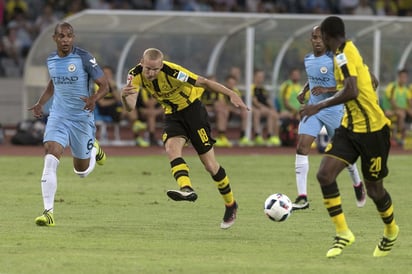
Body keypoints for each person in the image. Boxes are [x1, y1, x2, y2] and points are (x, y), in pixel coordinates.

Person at [300, 16, 399, 258]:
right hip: (350, 128)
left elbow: (352, 90)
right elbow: (356, 79)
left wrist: (318, 106)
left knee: (375, 190)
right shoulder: (343, 53)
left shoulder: (343, 54)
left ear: (326, 36)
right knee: (324, 174)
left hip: (374, 131)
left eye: (320, 35)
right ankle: (343, 233)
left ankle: (391, 230)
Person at [121, 48, 249, 229]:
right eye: (148, 68)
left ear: (161, 65)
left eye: (156, 69)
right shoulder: (134, 75)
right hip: (172, 116)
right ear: (141, 62)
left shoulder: (173, 72)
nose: (151, 73)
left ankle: (230, 204)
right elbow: (130, 107)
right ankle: (186, 188)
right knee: (171, 149)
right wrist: (124, 97)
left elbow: (203, 82)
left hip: (194, 112)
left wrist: (231, 94)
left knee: (211, 166)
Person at [28, 22, 109, 227]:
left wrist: (94, 98)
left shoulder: (83, 58)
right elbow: (53, 83)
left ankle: (94, 150)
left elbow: (105, 85)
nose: (66, 40)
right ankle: (48, 212)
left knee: (80, 172)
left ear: (73, 38)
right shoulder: (51, 60)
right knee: (50, 153)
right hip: (59, 115)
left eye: (69, 36)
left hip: (82, 118)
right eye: (62, 36)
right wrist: (40, 103)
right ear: (54, 38)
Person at [292, 26, 366, 210]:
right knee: (302, 146)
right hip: (313, 109)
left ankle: (357, 183)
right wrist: (304, 90)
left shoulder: (336, 59)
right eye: (313, 37)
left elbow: (347, 85)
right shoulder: (308, 59)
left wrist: (327, 90)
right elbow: (313, 77)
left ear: (326, 40)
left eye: (319, 37)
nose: (316, 40)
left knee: (344, 154)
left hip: (335, 110)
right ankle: (302, 197)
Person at [95, 65, 148, 146]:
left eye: (109, 74)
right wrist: (114, 101)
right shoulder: (98, 85)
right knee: (126, 108)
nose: (107, 76)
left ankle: (137, 133)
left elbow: (119, 99)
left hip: (116, 109)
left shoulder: (113, 85)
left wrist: (113, 88)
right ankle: (136, 127)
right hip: (105, 111)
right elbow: (102, 103)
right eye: (105, 73)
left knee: (129, 106)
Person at [381, 68, 412, 146]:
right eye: (402, 77)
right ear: (399, 77)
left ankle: (403, 137)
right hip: (388, 110)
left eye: (405, 77)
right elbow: (393, 104)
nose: (404, 79)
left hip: (401, 110)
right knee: (401, 114)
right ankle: (399, 138)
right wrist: (405, 109)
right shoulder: (392, 87)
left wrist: (409, 109)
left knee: (406, 112)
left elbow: (409, 102)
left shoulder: (406, 89)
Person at [251, 69, 281, 146]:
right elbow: (254, 101)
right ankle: (261, 135)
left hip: (264, 109)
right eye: (259, 76)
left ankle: (274, 136)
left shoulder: (263, 89)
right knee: (268, 113)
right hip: (256, 108)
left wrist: (273, 107)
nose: (261, 78)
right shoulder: (252, 87)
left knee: (274, 113)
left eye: (262, 76)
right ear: (254, 77)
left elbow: (267, 100)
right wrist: (263, 107)